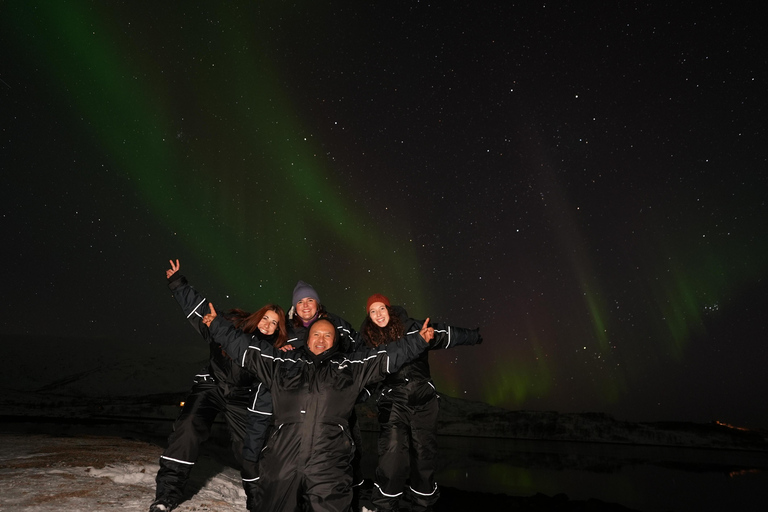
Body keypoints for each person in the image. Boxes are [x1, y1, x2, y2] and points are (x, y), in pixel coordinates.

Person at [168, 273, 435, 512]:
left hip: (329, 437)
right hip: (283, 432)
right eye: (301, 303)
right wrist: (216, 325)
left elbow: (378, 355)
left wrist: (416, 342)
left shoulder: (343, 349)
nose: (321, 339)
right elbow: (246, 347)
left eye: (327, 336)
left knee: (338, 474)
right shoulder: (283, 348)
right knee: (260, 465)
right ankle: (255, 494)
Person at [150, 260, 288, 512]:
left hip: (241, 398)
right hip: (211, 386)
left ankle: (260, 501)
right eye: (266, 318)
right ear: (258, 315)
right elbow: (200, 310)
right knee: (189, 426)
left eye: (274, 323)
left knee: (251, 447)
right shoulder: (230, 324)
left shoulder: (272, 351)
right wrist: (178, 283)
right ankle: (167, 495)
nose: (268, 324)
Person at [360, 293, 483, 512]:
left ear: (390, 309)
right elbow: (361, 369)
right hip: (393, 400)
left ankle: (423, 504)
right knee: (393, 453)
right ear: (368, 316)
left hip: (423, 398)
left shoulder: (413, 327)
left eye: (381, 309)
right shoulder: (369, 341)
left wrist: (473, 336)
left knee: (424, 454)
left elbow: (443, 334)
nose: (378, 314)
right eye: (372, 311)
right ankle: (383, 505)